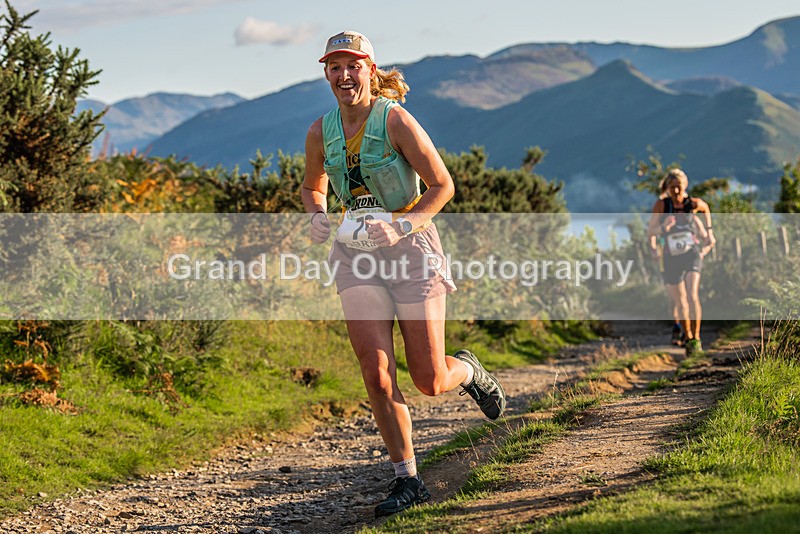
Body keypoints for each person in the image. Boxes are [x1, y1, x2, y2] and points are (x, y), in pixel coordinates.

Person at [301, 30, 506, 518]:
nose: (344, 75)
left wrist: (401, 227)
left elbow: (442, 185)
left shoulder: (395, 120)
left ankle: (469, 370)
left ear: (371, 70)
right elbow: (314, 186)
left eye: (354, 66)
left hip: (411, 249)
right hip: (356, 256)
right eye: (335, 66)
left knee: (429, 379)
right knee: (376, 373)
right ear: (326, 73)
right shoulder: (319, 131)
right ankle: (407, 480)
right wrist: (316, 214)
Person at [647, 169, 715, 356]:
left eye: (679, 187)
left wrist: (709, 231)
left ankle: (697, 339)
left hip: (691, 254)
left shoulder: (692, 203)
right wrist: (663, 229)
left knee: (692, 294)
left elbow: (706, 208)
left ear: (685, 186)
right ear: (667, 188)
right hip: (670, 256)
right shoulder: (662, 205)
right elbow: (651, 231)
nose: (676, 192)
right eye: (672, 188)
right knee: (680, 300)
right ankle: (688, 336)